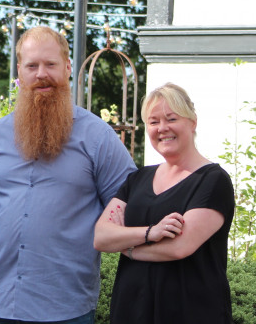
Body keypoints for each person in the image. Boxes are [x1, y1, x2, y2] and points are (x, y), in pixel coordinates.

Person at [0, 26, 136, 324]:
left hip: (66, 306)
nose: (41, 74)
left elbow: (127, 201)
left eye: (50, 64)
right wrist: (9, 233)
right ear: (20, 71)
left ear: (67, 68)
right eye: (32, 66)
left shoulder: (99, 138)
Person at [93, 83, 235, 324]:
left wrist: (126, 246)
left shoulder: (212, 181)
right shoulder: (138, 179)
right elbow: (101, 237)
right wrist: (151, 232)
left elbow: (179, 247)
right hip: (131, 310)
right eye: (153, 122)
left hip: (190, 312)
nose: (162, 128)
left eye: (171, 119)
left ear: (193, 122)